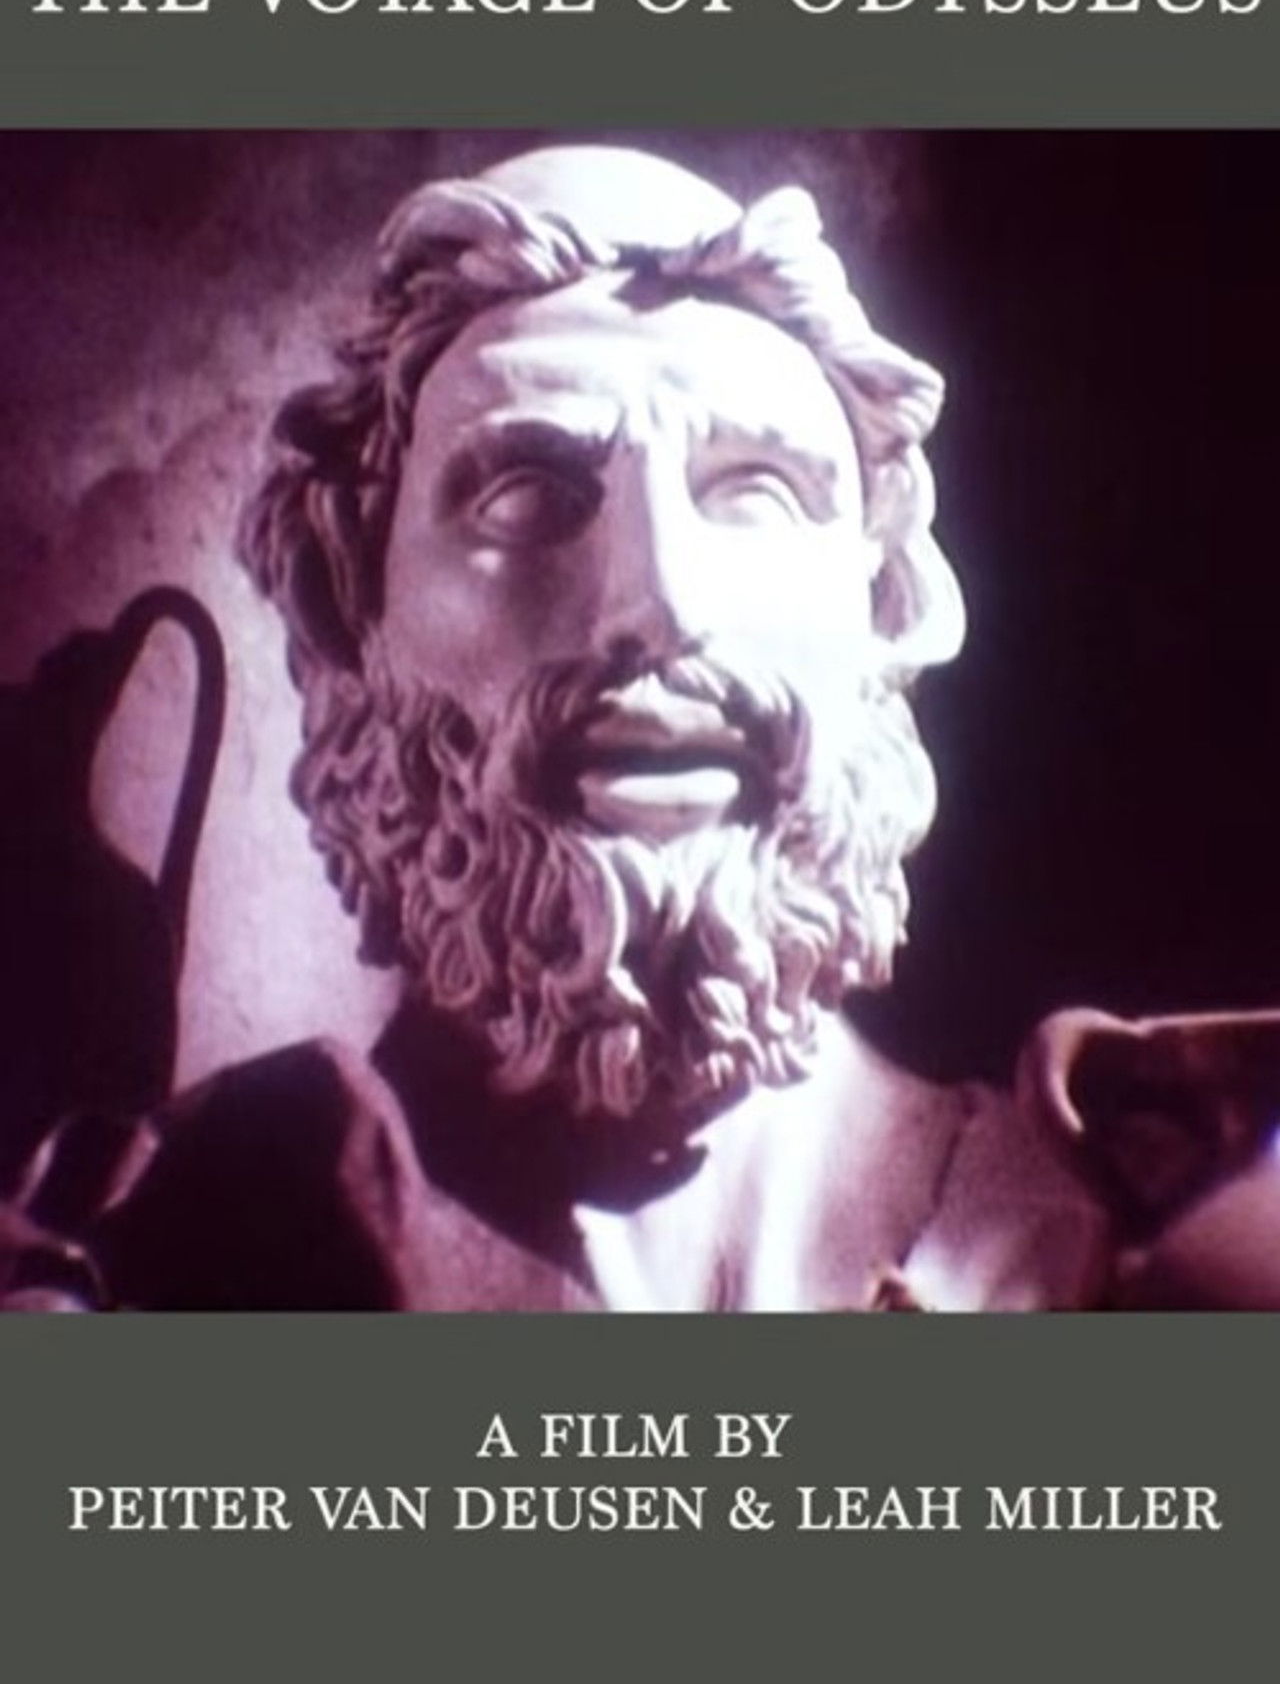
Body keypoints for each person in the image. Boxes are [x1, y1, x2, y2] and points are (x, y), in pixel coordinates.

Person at [5, 145, 1275, 1310]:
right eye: (523, 497)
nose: (660, 602)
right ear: (347, 615)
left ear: (885, 609)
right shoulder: (129, 1276)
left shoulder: (1143, 1244)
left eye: (756, 492)